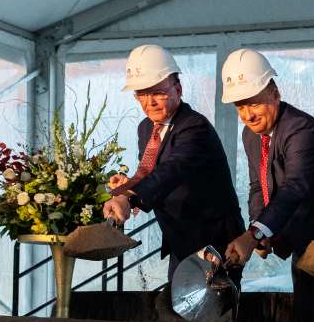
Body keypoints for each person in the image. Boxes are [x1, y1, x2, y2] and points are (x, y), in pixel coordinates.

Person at [219, 48, 314, 322]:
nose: (248, 114)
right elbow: (258, 185)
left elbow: (295, 188)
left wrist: (253, 234)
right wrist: (260, 234)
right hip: (302, 238)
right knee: (305, 321)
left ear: (274, 93)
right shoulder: (251, 135)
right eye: (240, 106)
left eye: (253, 103)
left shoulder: (301, 131)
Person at [103, 44, 244, 282]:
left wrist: (130, 196)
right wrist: (128, 186)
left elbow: (172, 170)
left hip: (215, 241)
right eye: (141, 94)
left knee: (210, 316)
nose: (150, 102)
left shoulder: (194, 127)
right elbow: (153, 174)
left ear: (178, 89)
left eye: (158, 92)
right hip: (180, 238)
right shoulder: (146, 128)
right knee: (178, 313)